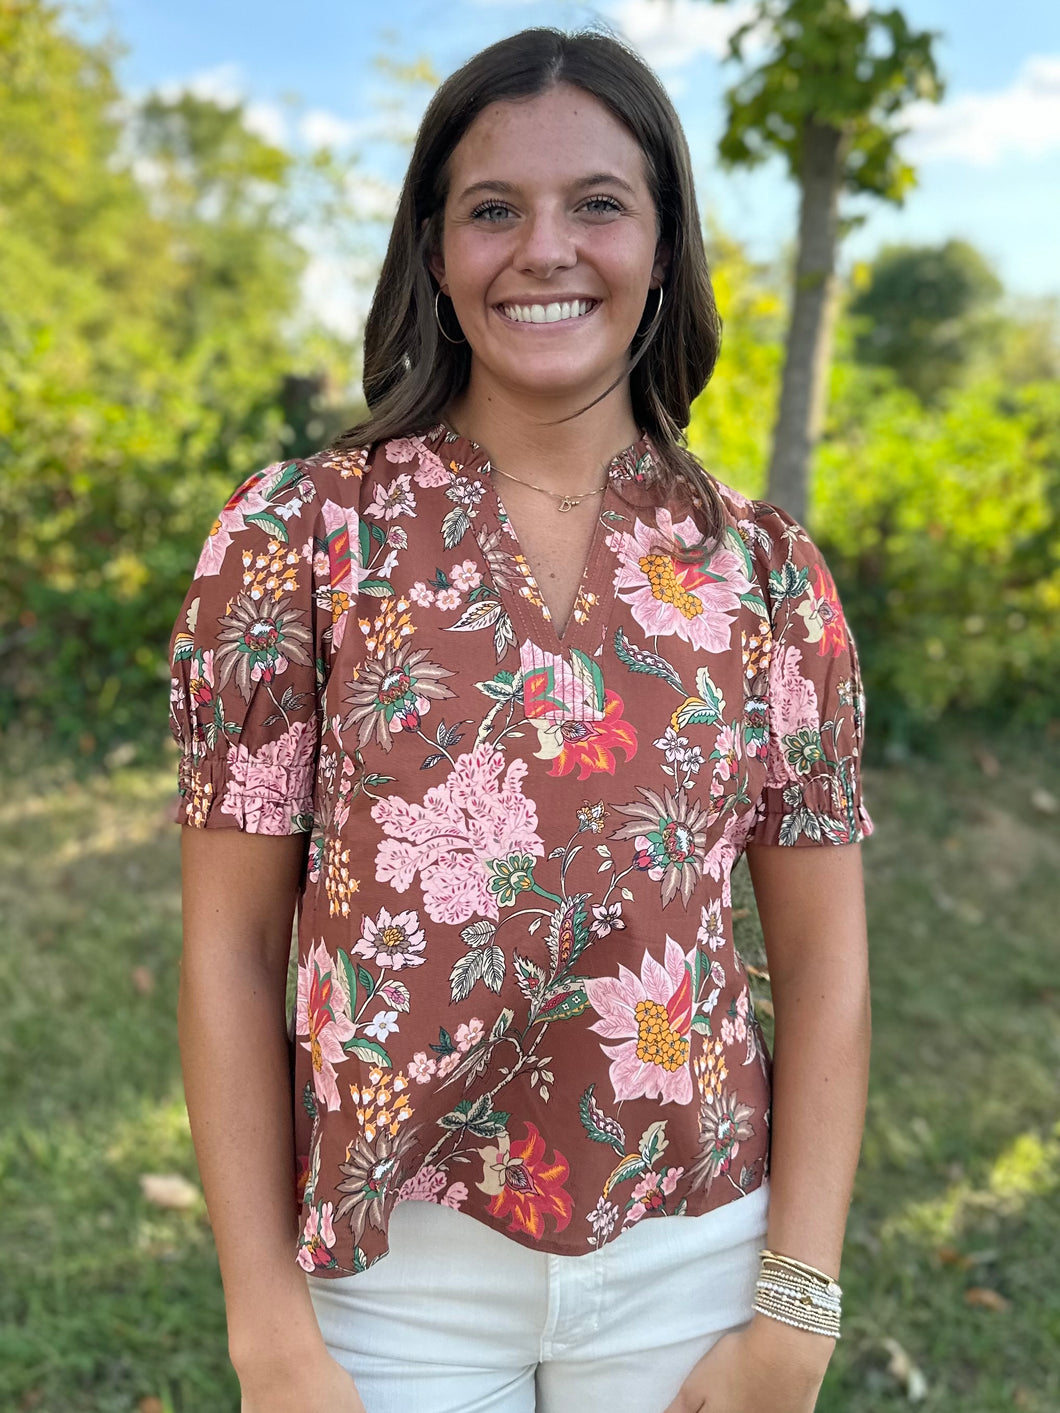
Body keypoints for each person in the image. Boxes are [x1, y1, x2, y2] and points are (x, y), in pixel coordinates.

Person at [169, 26, 872, 1413]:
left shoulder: (766, 574)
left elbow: (827, 964)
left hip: (697, 1254)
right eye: (495, 208)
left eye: (598, 203)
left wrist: (795, 1312)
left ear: (663, 247)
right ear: (435, 250)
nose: (545, 248)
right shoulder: (302, 540)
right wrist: (270, 1332)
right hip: (385, 1278)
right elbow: (230, 946)